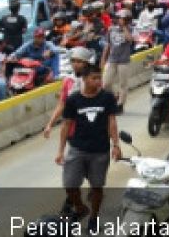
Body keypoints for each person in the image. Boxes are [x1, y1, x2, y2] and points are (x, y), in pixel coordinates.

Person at [56, 64, 120, 232]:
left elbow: (112, 122)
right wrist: (61, 151)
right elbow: (65, 125)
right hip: (77, 148)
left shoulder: (107, 98)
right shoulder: (73, 99)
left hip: (100, 150)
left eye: (99, 78)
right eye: (94, 78)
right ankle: (80, 208)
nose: (98, 81)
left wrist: (116, 144)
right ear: (84, 79)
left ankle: (94, 217)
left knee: (97, 187)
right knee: (70, 185)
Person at [43, 47, 95, 139]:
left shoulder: (94, 80)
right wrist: (50, 124)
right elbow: (62, 104)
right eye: (73, 61)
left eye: (79, 61)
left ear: (86, 63)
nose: (75, 64)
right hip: (73, 127)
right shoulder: (68, 81)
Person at [101, 10, 134, 114]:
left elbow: (130, 39)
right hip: (112, 60)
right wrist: (103, 59)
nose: (121, 20)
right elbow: (108, 45)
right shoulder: (111, 30)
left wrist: (124, 27)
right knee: (106, 83)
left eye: (123, 19)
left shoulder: (130, 29)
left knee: (123, 84)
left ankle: (120, 104)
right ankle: (115, 96)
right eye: (120, 18)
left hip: (124, 61)